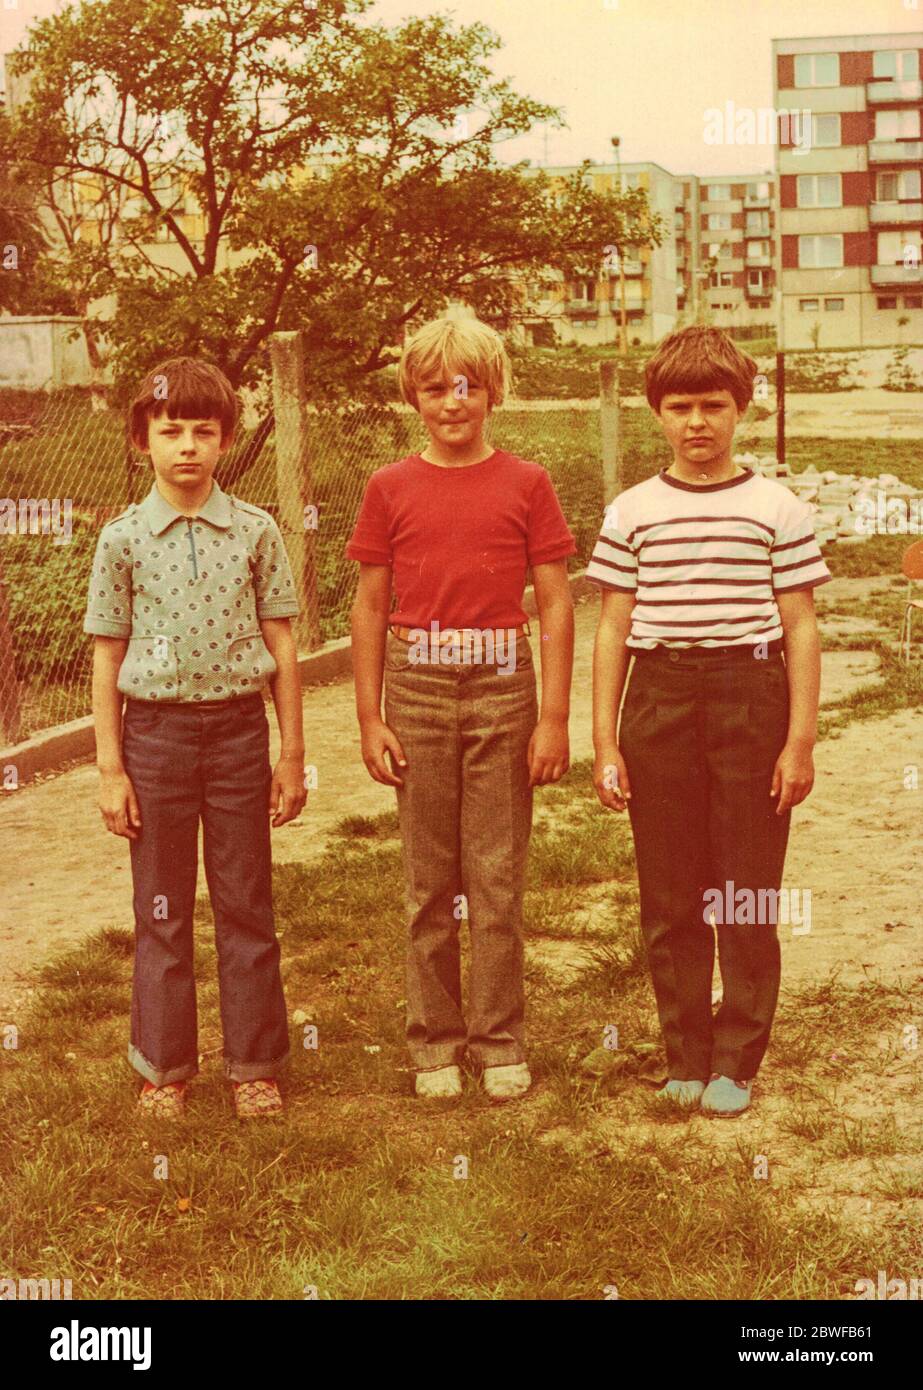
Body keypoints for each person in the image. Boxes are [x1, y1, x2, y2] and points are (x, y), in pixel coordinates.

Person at [589, 326, 830, 1116]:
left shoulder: (775, 507)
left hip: (747, 695)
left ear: (740, 410)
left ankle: (737, 1057)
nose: (698, 423)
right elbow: (612, 628)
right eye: (681, 406)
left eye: (714, 406)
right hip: (658, 699)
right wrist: (602, 741)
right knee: (671, 889)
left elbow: (798, 626)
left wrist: (797, 740)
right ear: (657, 413)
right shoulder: (632, 510)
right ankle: (683, 1053)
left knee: (746, 886)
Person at [346, 316, 576, 1101]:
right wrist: (370, 715)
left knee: (496, 874)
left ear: (492, 392)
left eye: (467, 386)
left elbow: (553, 605)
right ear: (412, 395)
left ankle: (499, 1037)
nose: (453, 401)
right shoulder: (388, 487)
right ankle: (434, 1043)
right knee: (427, 880)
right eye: (436, 386)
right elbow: (370, 606)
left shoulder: (526, 483)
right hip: (416, 681)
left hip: (501, 680)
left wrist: (552, 716)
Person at [83, 357, 307, 1121]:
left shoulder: (256, 531)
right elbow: (107, 653)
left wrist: (292, 753)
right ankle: (165, 1067)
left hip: (240, 734)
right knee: (161, 907)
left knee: (246, 901)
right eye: (169, 430)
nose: (187, 446)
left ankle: (254, 1064)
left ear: (226, 440)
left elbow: (281, 644)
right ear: (141, 438)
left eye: (202, 432)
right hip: (155, 739)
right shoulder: (121, 540)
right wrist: (111, 769)